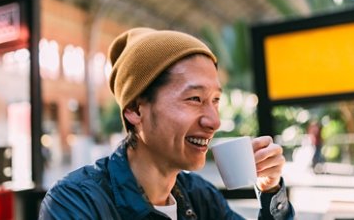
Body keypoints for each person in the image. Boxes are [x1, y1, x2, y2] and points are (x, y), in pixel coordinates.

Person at [39, 28, 295, 219]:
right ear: (135, 110)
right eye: (194, 98)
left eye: (215, 100)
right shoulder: (77, 202)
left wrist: (270, 189)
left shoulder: (199, 195)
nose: (214, 121)